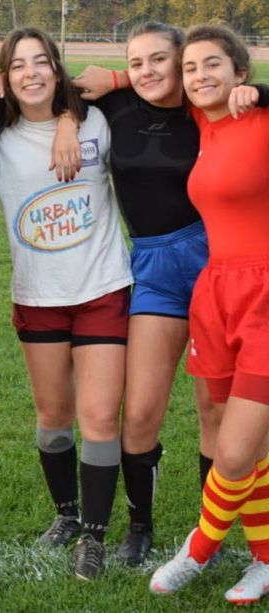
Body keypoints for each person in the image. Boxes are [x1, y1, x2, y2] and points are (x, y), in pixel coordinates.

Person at [71, 23, 267, 567]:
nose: (148, 71)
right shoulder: (115, 106)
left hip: (213, 258)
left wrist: (257, 91)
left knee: (216, 410)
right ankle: (140, 526)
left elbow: (243, 91)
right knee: (139, 413)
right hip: (154, 264)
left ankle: (215, 527)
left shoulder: (205, 108)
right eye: (136, 63)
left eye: (163, 60)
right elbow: (43, 89)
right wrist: (71, 121)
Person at [0, 28, 132, 580]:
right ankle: (66, 515)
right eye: (18, 65)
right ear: (4, 76)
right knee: (53, 418)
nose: (31, 73)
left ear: (57, 67)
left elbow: (162, 88)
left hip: (101, 288)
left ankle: (94, 536)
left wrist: (71, 116)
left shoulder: (98, 119)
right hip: (38, 295)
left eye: (42, 62)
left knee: (98, 417)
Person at [148, 24, 269, 605]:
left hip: (267, 293)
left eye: (213, 65)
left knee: (238, 449)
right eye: (191, 67)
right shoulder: (203, 123)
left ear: (239, 72)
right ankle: (266, 558)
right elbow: (144, 81)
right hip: (217, 290)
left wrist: (266, 94)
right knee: (222, 422)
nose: (200, 76)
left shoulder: (263, 121)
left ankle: (200, 545)